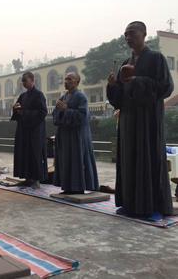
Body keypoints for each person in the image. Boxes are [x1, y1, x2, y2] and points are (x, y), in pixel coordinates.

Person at [107, 21, 173, 220]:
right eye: (125, 34)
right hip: (128, 120)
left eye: (132, 33)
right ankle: (129, 204)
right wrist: (112, 86)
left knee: (148, 159)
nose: (128, 38)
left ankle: (152, 205)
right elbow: (118, 99)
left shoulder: (156, 58)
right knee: (128, 160)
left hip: (148, 120)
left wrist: (137, 80)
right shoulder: (125, 63)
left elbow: (166, 87)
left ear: (144, 34)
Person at [53, 72, 99, 194]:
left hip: (77, 136)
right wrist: (60, 111)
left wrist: (66, 110)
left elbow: (83, 117)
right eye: (65, 79)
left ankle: (78, 187)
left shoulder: (81, 97)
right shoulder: (63, 97)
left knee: (77, 161)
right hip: (65, 136)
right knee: (65, 161)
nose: (66, 81)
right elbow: (55, 116)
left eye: (70, 79)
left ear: (77, 82)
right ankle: (67, 187)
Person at [11, 71, 48, 189]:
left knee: (35, 154)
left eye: (25, 80)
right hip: (24, 130)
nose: (23, 83)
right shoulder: (23, 96)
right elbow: (18, 111)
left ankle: (36, 179)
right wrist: (15, 109)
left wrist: (24, 112)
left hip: (35, 131)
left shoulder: (39, 95)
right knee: (24, 154)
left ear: (32, 80)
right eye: (22, 81)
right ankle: (27, 178)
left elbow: (43, 112)